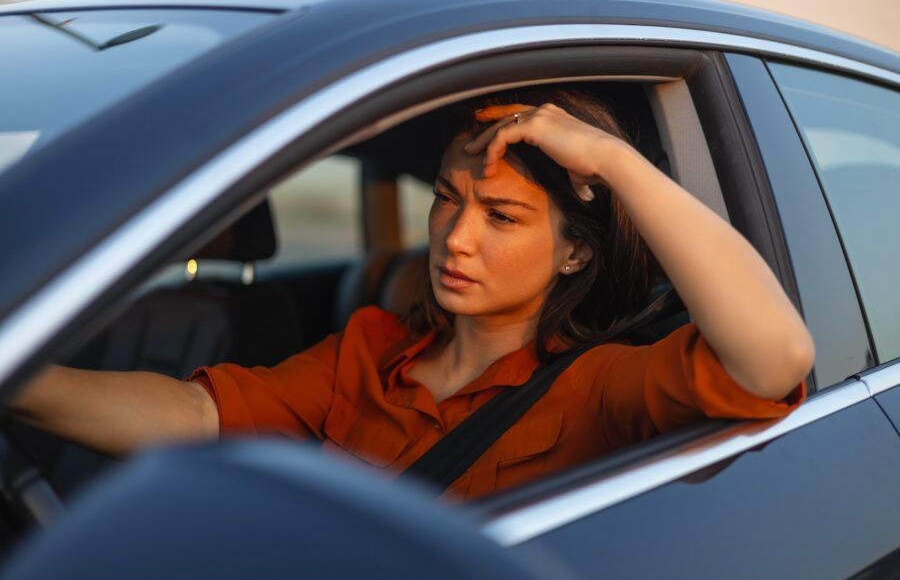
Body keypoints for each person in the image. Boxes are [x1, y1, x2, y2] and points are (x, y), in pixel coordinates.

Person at [9, 86, 813, 501]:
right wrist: (19, 378)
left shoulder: (595, 388)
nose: (455, 237)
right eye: (444, 198)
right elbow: (193, 415)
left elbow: (775, 358)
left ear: (574, 254)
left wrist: (612, 161)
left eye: (500, 215)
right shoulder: (370, 350)